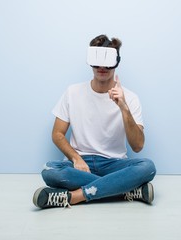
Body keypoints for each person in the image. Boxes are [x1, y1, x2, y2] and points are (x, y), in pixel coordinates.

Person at [33, 34, 156, 209]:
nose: (102, 67)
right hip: (80, 162)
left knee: (147, 167)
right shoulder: (72, 92)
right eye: (97, 61)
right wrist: (76, 158)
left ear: (116, 61)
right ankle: (124, 190)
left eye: (107, 62)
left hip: (115, 163)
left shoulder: (130, 98)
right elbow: (57, 134)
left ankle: (74, 196)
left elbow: (137, 146)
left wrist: (123, 107)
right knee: (49, 171)